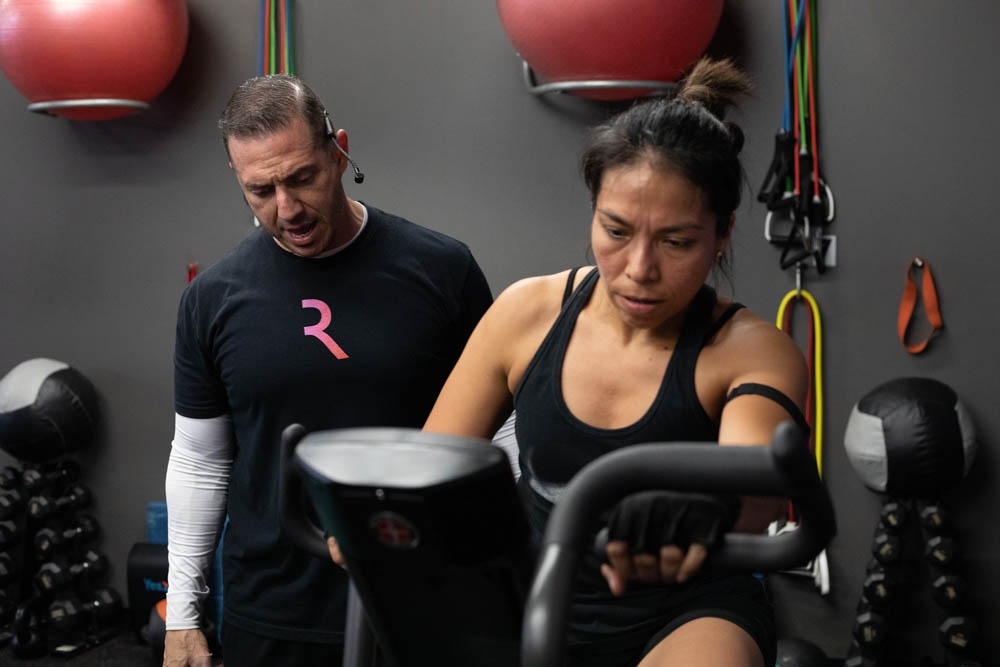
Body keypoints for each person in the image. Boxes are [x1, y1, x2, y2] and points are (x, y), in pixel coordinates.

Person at [422, 58, 810, 667]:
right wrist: (373, 515)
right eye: (617, 230)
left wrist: (703, 512)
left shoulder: (752, 350)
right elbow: (428, 470)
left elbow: (755, 487)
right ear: (594, 210)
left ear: (722, 234)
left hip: (685, 611)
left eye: (676, 241)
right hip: (536, 597)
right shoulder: (526, 314)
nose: (639, 269)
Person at [163, 74, 493, 667]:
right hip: (272, 607)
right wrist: (183, 614)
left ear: (338, 152)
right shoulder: (212, 298)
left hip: (425, 596)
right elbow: (200, 460)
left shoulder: (443, 269)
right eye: (261, 190)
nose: (287, 209)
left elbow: (502, 430)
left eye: (301, 178)